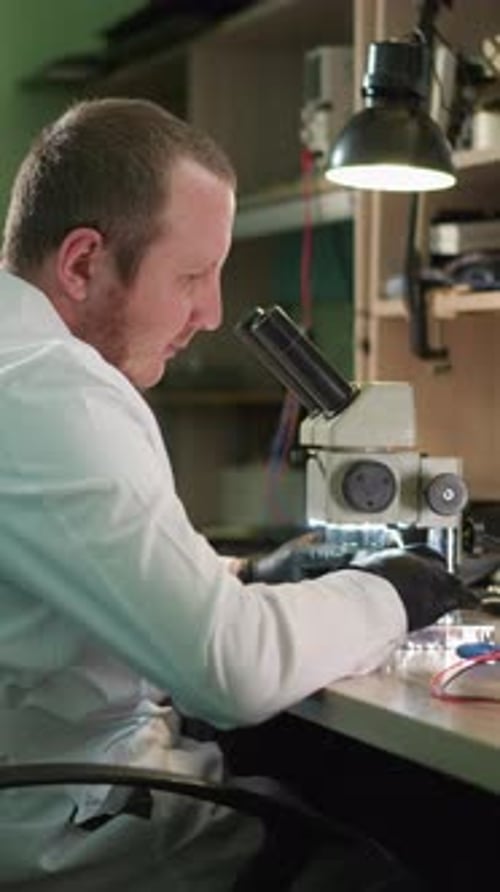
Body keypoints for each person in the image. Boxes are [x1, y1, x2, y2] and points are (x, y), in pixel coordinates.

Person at [0, 97, 474, 891]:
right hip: (67, 824)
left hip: (52, 776)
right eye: (191, 276)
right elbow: (232, 670)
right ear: (82, 262)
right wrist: (393, 590)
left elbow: (62, 583)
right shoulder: (53, 392)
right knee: (398, 856)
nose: (213, 314)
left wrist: (244, 578)